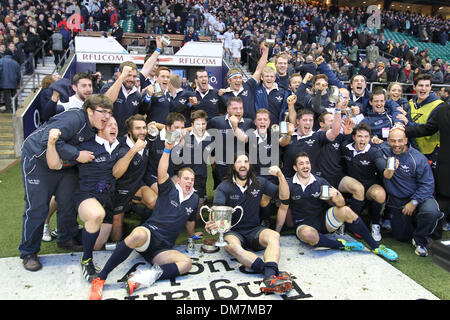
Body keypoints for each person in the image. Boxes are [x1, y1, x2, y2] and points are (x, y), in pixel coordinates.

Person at [89, 138, 202, 300]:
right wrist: (167, 150)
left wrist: (193, 236)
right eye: (186, 178)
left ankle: (141, 279)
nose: (189, 182)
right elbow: (162, 173)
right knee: (137, 235)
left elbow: (190, 221)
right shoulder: (169, 188)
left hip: (162, 249)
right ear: (178, 180)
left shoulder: (194, 198)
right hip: (149, 235)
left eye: (192, 179)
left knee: (186, 263)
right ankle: (101, 278)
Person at [19, 94, 113, 271]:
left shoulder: (95, 127)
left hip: (65, 165)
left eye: (109, 112)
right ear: (90, 111)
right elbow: (47, 138)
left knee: (68, 201)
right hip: (38, 161)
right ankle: (28, 251)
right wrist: (77, 154)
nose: (107, 117)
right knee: (37, 207)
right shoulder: (75, 117)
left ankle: (65, 238)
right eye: (103, 112)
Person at [276, 152, 398, 261]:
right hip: (303, 225)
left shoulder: (320, 181)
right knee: (308, 234)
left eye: (307, 163)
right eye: (301, 164)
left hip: (323, 221)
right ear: (295, 167)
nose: (305, 166)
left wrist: (336, 197)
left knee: (345, 210)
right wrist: (277, 232)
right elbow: (283, 208)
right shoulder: (289, 184)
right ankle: (341, 244)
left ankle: (375, 247)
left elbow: (341, 204)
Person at [204, 153, 293, 294]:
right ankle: (270, 274)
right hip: (233, 231)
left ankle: (269, 278)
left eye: (246, 161)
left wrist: (280, 176)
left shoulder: (260, 182)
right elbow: (216, 208)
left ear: (249, 165)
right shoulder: (224, 186)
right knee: (232, 246)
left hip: (254, 229)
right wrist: (212, 223)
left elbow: (284, 196)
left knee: (274, 236)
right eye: (239, 162)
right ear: (234, 166)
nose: (243, 164)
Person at [374, 127, 444, 257]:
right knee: (401, 237)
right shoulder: (382, 150)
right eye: (393, 141)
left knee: (430, 212)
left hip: (419, 196)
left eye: (400, 141)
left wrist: (414, 201)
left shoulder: (418, 158)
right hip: (398, 199)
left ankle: (420, 239)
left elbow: (428, 185)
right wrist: (391, 167)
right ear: (388, 140)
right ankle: (413, 224)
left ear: (406, 140)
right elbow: (385, 173)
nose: (397, 144)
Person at [107, 114, 157, 243]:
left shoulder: (147, 142)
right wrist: (133, 150)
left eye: (144, 128)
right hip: (120, 189)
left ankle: (145, 232)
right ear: (129, 131)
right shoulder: (122, 147)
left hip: (137, 185)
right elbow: (116, 173)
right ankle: (116, 247)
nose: (142, 132)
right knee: (117, 221)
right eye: (138, 128)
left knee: (154, 201)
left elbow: (167, 131)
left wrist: (153, 125)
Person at [341, 123, 387, 241]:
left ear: (369, 138)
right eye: (360, 136)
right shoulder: (346, 147)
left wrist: (389, 169)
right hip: (350, 184)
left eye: (366, 137)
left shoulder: (374, 152)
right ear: (354, 137)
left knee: (380, 194)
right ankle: (353, 223)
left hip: (368, 185)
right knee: (358, 188)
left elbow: (383, 168)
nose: (363, 139)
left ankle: (375, 224)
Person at [206, 96, 254, 188]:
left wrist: (235, 126)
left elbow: (247, 140)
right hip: (221, 166)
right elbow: (208, 141)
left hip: (241, 165)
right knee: (222, 191)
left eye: (241, 108)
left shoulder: (248, 123)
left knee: (240, 191)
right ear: (228, 109)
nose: (239, 111)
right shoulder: (216, 121)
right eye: (235, 108)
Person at [102, 62, 143, 137]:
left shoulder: (137, 95)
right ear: (119, 74)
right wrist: (121, 78)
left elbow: (134, 119)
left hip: (125, 137)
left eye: (134, 76)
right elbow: (106, 103)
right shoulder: (108, 87)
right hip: (107, 135)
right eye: (128, 75)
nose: (131, 79)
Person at [0, 48, 21, 113]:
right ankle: (15, 108)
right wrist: (18, 82)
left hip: (4, 81)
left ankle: (8, 109)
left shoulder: (1, 61)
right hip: (14, 82)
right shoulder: (15, 62)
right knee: (14, 95)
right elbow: (19, 74)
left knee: (7, 96)